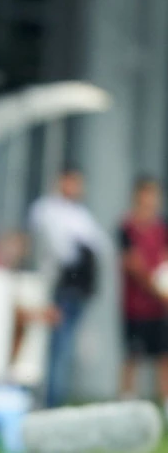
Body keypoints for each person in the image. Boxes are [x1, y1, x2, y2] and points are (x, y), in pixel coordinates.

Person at [28, 166, 105, 408]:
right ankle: (47, 402)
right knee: (50, 349)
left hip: (75, 291)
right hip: (54, 289)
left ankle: (54, 402)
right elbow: (61, 252)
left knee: (63, 349)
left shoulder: (80, 214)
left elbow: (100, 246)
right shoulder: (47, 209)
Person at [118, 176, 168, 416]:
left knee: (164, 357)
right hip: (135, 306)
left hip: (160, 309)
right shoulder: (127, 227)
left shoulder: (162, 228)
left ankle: (165, 409)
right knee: (132, 357)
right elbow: (133, 264)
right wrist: (158, 289)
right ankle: (126, 408)